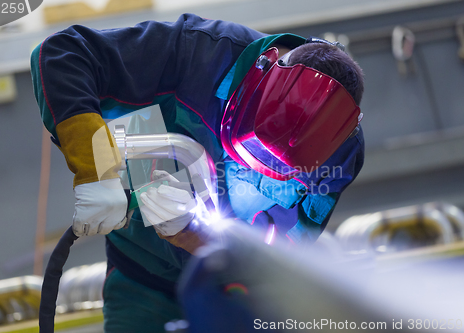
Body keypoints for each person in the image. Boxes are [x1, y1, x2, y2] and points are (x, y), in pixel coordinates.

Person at [30, 13, 364, 332]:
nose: (258, 169)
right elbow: (62, 54)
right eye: (253, 150)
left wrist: (194, 236)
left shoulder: (342, 149)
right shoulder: (196, 52)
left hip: (235, 290)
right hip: (141, 279)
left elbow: (281, 256)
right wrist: (95, 172)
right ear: (258, 79)